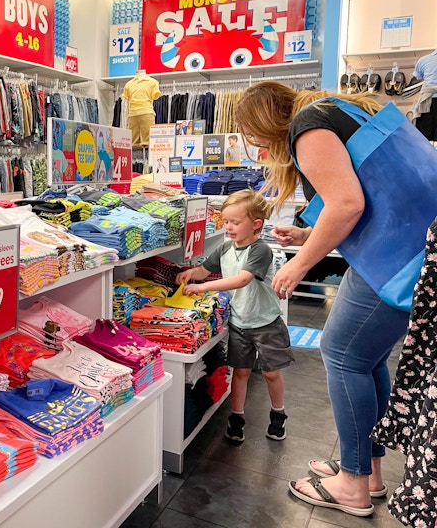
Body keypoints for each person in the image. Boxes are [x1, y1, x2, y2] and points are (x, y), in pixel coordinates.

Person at [234, 81, 410, 517]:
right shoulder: (334, 111)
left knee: (343, 355)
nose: (254, 143)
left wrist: (300, 262)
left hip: (394, 254)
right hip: (409, 247)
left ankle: (352, 484)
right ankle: (366, 471)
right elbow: (367, 200)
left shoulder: (307, 126)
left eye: (251, 134)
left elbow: (347, 204)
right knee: (366, 360)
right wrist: (310, 234)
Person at [175, 189, 293, 444]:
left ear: (256, 224)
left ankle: (278, 414)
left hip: (267, 323)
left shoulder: (261, 251)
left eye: (235, 222)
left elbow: (242, 279)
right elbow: (204, 270)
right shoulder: (225, 248)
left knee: (271, 373)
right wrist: (190, 274)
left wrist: (201, 287)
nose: (228, 227)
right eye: (226, 221)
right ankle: (236, 418)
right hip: (239, 324)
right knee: (240, 372)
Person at [122, 69, 160, 148]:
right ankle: (135, 159)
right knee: (133, 142)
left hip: (146, 112)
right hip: (132, 113)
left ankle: (148, 159)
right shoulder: (128, 84)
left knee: (148, 142)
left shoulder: (153, 82)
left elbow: (155, 96)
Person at [411, 48, 437, 141]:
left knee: (424, 140)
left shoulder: (423, 60)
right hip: (427, 100)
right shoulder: (424, 60)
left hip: (427, 101)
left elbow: (418, 76)